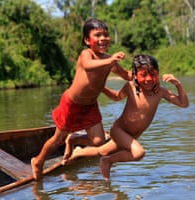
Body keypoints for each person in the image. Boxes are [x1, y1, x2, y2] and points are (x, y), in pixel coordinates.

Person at [31, 18, 132, 181]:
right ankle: (38, 161)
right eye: (97, 35)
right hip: (72, 104)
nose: (103, 38)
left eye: (105, 35)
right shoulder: (87, 54)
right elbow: (88, 66)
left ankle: (74, 139)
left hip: (90, 106)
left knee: (99, 140)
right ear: (87, 40)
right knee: (58, 139)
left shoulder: (109, 61)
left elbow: (127, 75)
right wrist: (111, 60)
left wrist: (144, 73)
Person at [66, 54, 189, 180]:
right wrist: (102, 88)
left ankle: (76, 146)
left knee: (102, 151)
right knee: (139, 153)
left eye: (153, 75)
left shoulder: (161, 92)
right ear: (135, 75)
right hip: (119, 130)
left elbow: (183, 104)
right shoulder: (131, 87)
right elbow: (117, 96)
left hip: (132, 135)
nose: (149, 79)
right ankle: (108, 161)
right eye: (143, 75)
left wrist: (177, 84)